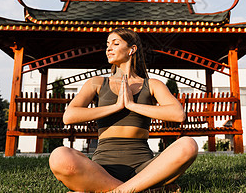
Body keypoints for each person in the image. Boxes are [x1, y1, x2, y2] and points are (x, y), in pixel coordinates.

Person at [49, 28, 198, 192]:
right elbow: (69, 116)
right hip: (103, 169)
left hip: (145, 168)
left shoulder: (152, 85)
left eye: (115, 43)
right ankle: (141, 189)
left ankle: (118, 190)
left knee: (188, 145)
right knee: (59, 156)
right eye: (107, 44)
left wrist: (132, 105)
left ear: (132, 49)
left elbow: (178, 114)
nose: (108, 48)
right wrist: (116, 106)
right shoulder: (97, 83)